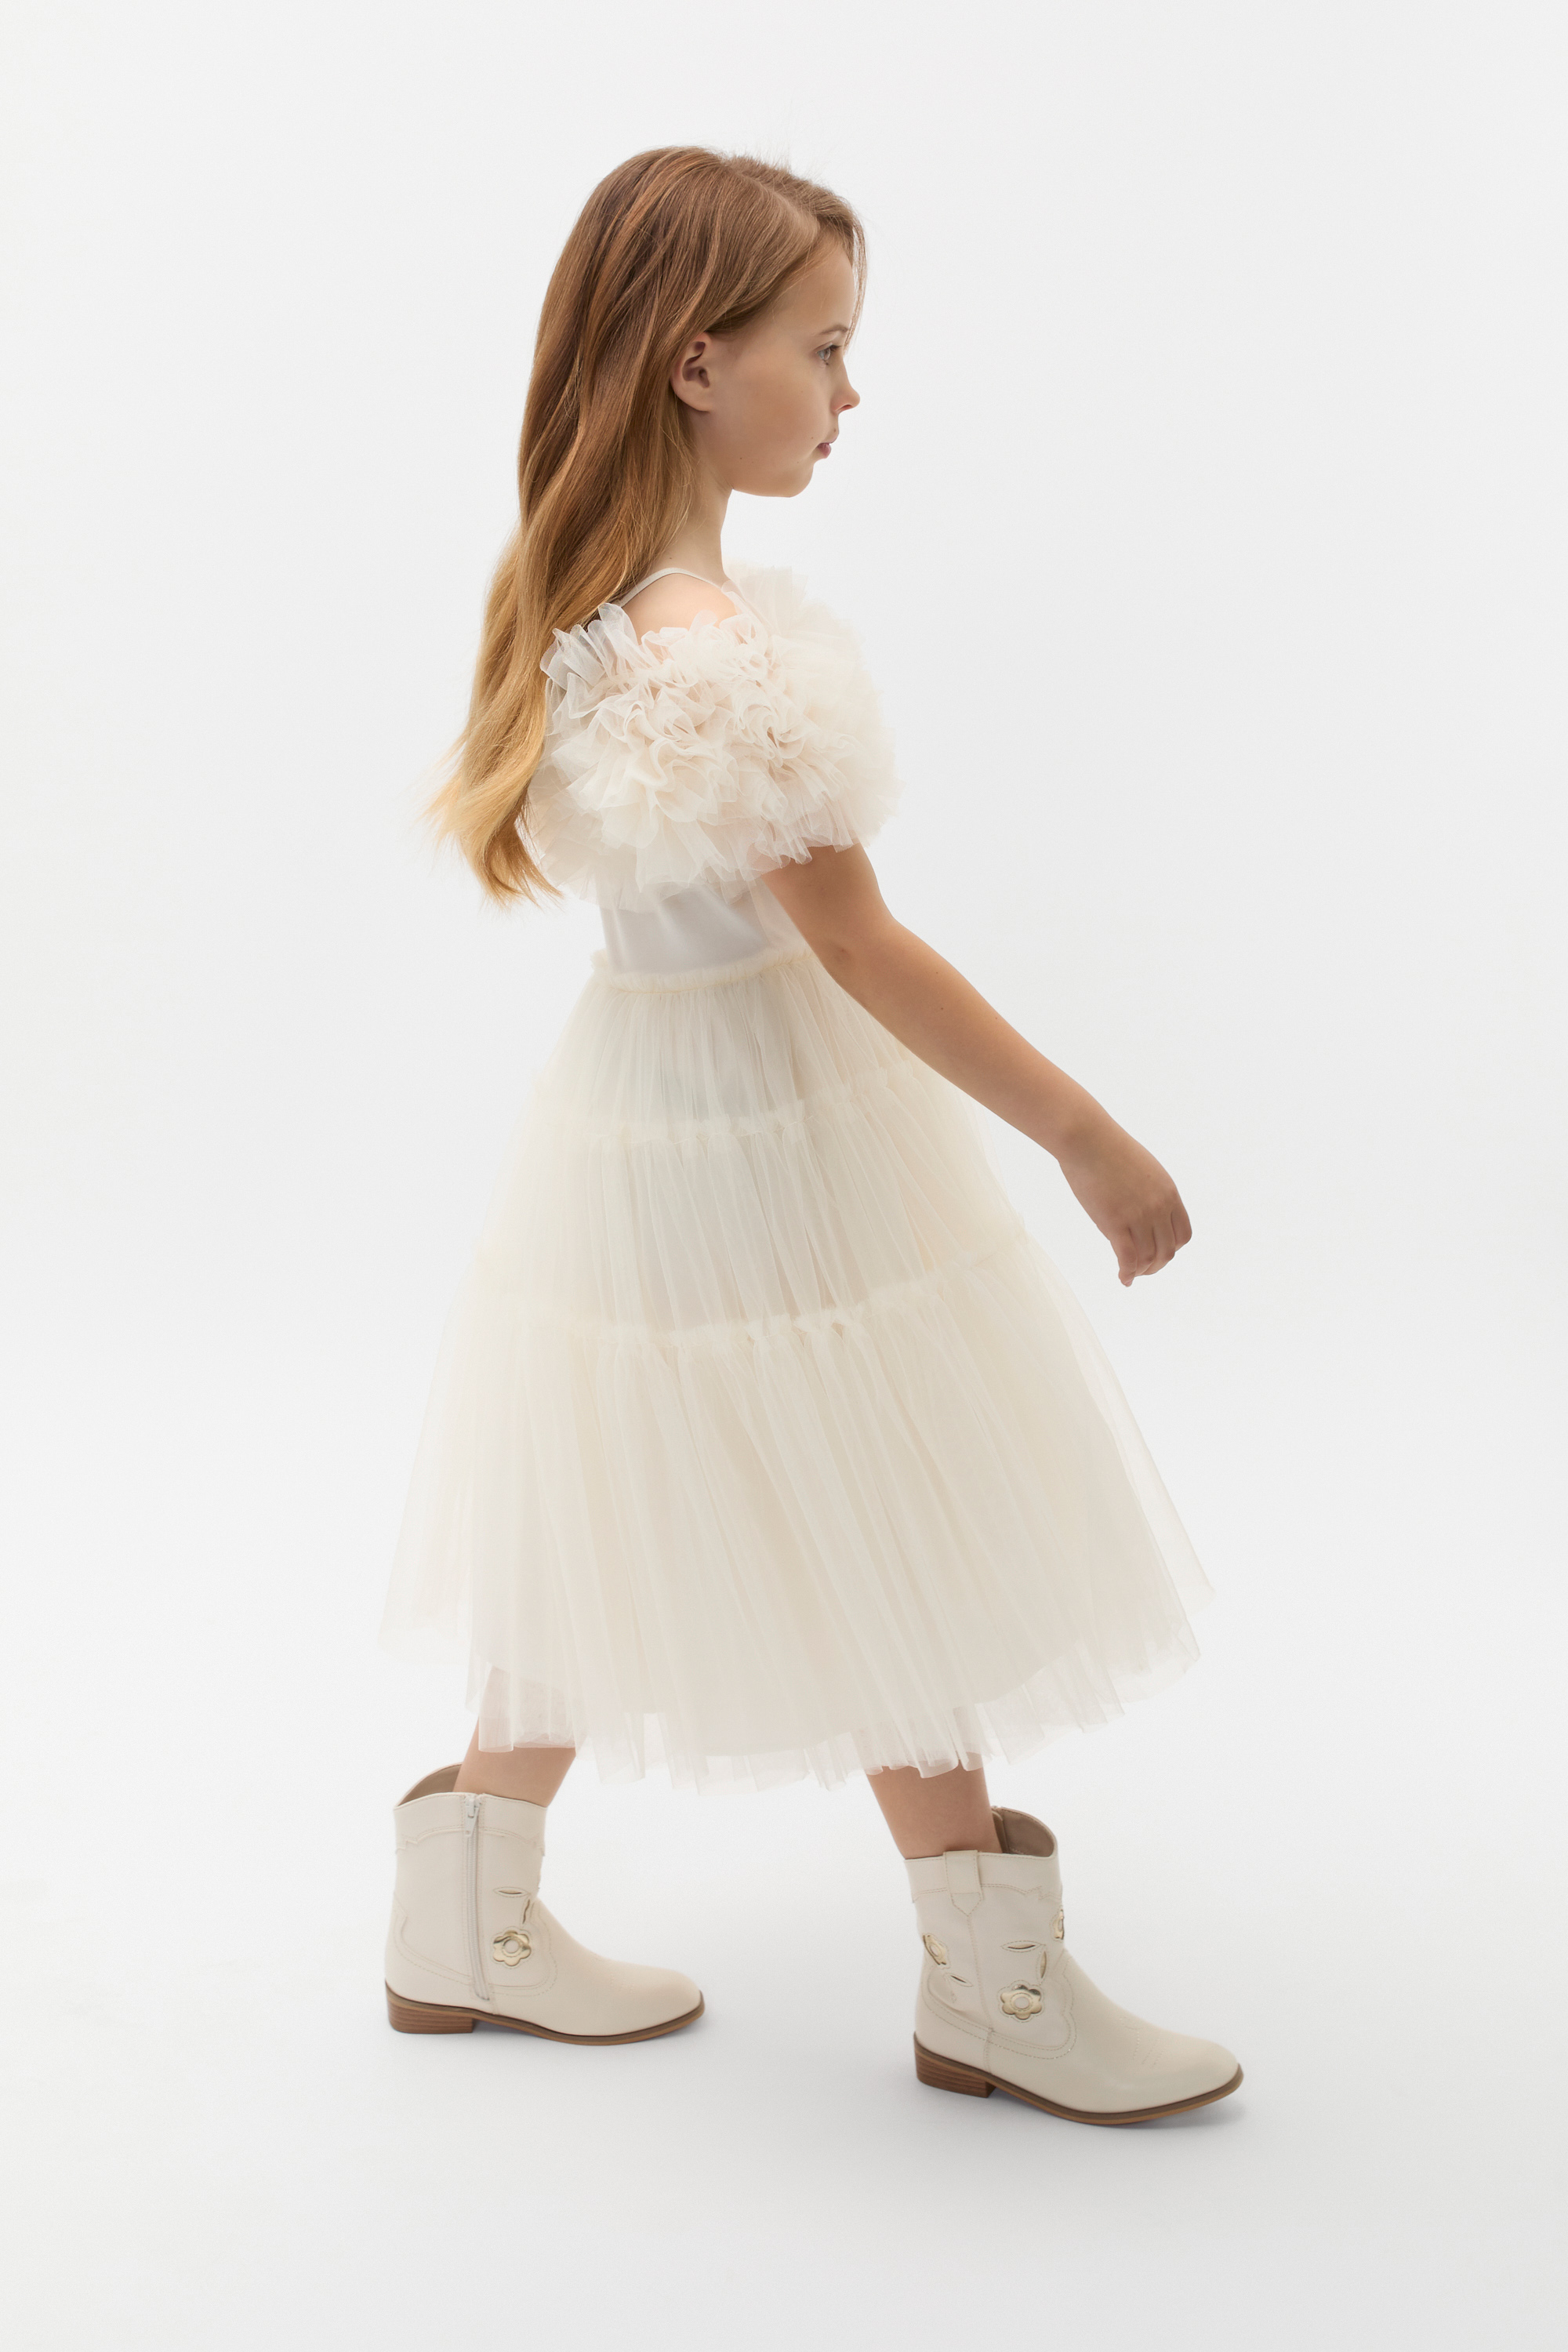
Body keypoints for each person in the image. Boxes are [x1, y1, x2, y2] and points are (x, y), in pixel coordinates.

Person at [379, 145, 1241, 2124]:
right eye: (822, 347)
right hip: (764, 1122)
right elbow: (853, 943)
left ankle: (462, 1922)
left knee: (633, 1494)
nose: (851, 393)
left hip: (641, 1117)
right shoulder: (707, 647)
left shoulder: (604, 608)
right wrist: (1085, 1135)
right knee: (879, 1518)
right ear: (697, 362)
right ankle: (993, 1986)